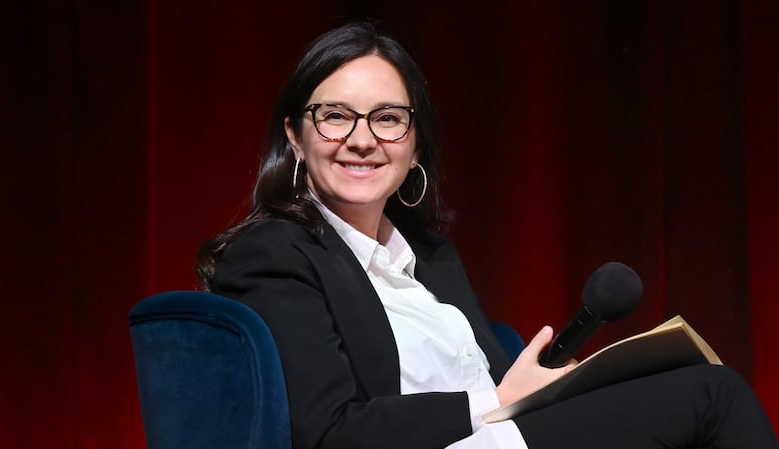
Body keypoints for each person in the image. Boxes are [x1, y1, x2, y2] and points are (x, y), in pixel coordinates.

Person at [197, 21, 778, 449]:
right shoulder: (270, 254)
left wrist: (548, 387)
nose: (362, 138)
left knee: (685, 381)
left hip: (503, 438)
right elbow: (329, 432)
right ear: (296, 137)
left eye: (388, 118)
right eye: (335, 115)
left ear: (415, 143)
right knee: (713, 394)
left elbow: (498, 386)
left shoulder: (429, 257)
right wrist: (500, 400)